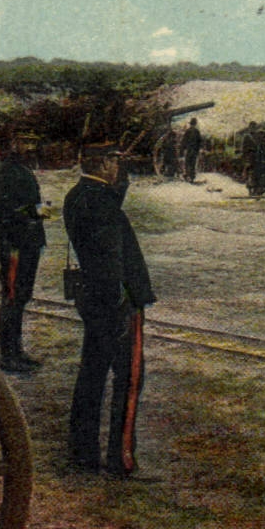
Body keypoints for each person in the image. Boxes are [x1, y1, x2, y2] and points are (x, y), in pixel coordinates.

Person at [64, 145, 156, 478]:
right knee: (129, 380)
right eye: (115, 161)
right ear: (103, 164)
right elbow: (110, 261)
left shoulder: (78, 195)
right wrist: (121, 305)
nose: (118, 167)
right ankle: (122, 459)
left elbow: (111, 200)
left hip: (92, 301)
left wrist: (123, 177)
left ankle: (82, 451)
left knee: (91, 374)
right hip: (118, 305)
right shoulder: (102, 203)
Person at [0, 134, 48, 373]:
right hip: (14, 244)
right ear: (15, 145)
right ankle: (8, 355)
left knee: (21, 297)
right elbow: (9, 210)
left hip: (26, 243)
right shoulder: (9, 171)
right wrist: (40, 212)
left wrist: (39, 212)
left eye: (34, 142)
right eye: (26, 142)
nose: (31, 147)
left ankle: (17, 351)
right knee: (12, 298)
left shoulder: (20, 169)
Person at [180, 116, 202, 183]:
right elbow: (199, 142)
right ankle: (192, 177)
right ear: (195, 124)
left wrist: (182, 150)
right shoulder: (197, 131)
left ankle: (187, 176)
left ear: (191, 124)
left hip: (189, 150)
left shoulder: (188, 131)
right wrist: (198, 150)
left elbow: (184, 141)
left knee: (187, 163)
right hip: (194, 150)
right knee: (193, 163)